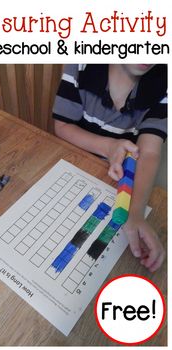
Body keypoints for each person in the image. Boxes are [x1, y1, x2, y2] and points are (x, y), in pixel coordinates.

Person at [53, 64, 167, 272]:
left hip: (115, 183)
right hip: (73, 173)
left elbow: (149, 152)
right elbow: (62, 126)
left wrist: (135, 212)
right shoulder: (80, 65)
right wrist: (108, 146)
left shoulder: (164, 86)